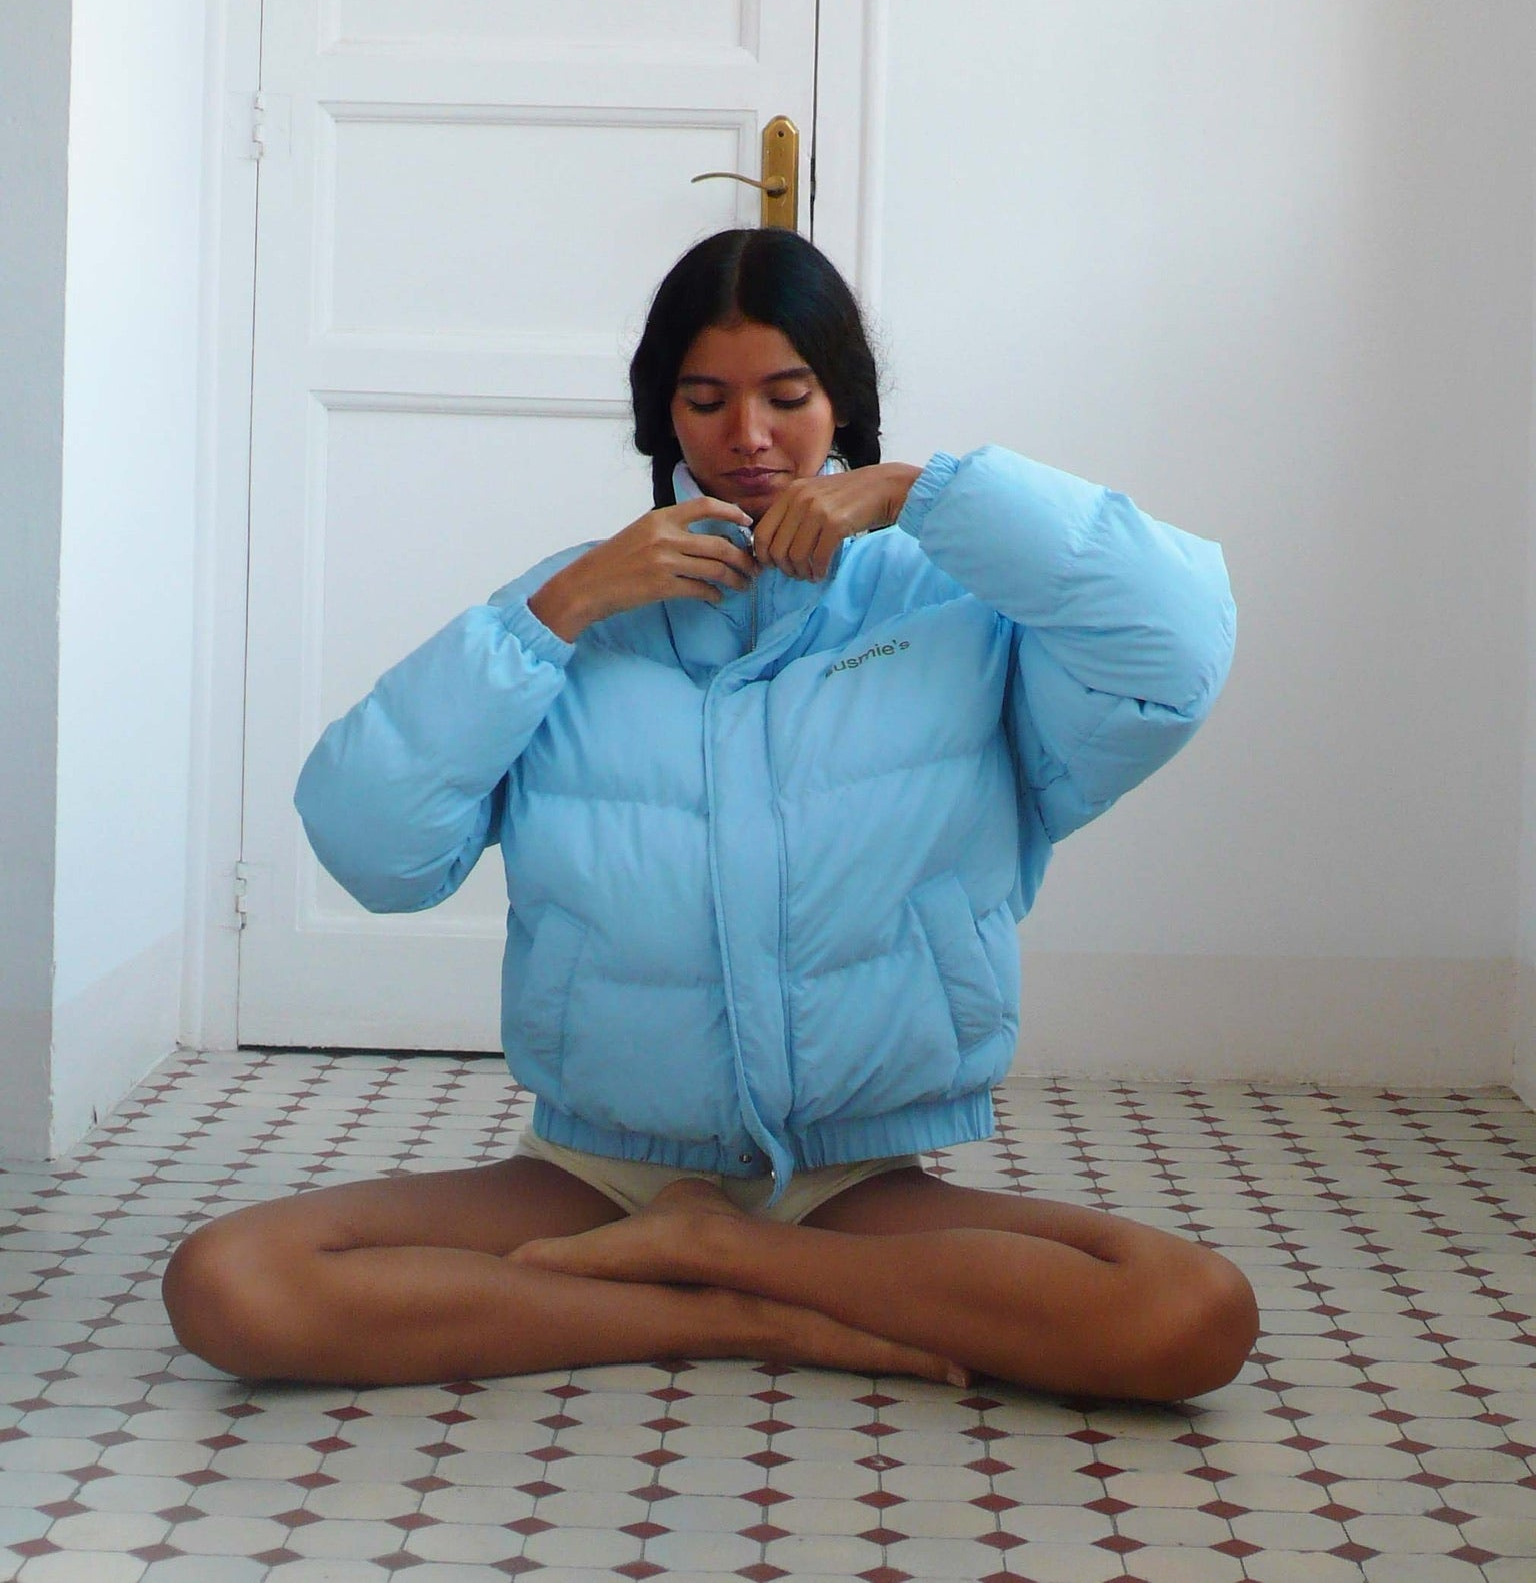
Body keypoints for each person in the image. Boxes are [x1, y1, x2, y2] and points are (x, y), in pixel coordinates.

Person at [164, 228, 1256, 1401]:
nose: (749, 435)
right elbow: (370, 845)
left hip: (854, 1182)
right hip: (598, 1173)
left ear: (843, 403)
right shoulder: (569, 615)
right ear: (662, 417)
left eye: (788, 395)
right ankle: (732, 1309)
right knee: (231, 1283)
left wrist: (921, 494)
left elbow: (1176, 646)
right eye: (706, 399)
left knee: (1190, 1313)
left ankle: (724, 1255)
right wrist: (557, 611)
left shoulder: (955, 606)